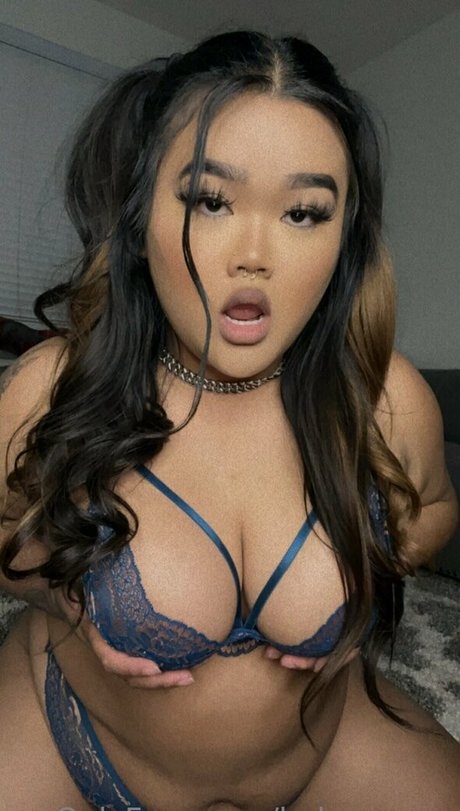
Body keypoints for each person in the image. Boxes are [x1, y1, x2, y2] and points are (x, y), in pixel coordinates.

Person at [0, 29, 458, 811]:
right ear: (140, 214)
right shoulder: (55, 385)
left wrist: (371, 566)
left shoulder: (383, 396)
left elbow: (438, 508)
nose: (256, 254)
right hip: (71, 738)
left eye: (304, 213)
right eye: (211, 201)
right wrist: (61, 595)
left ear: (343, 236)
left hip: (317, 748)